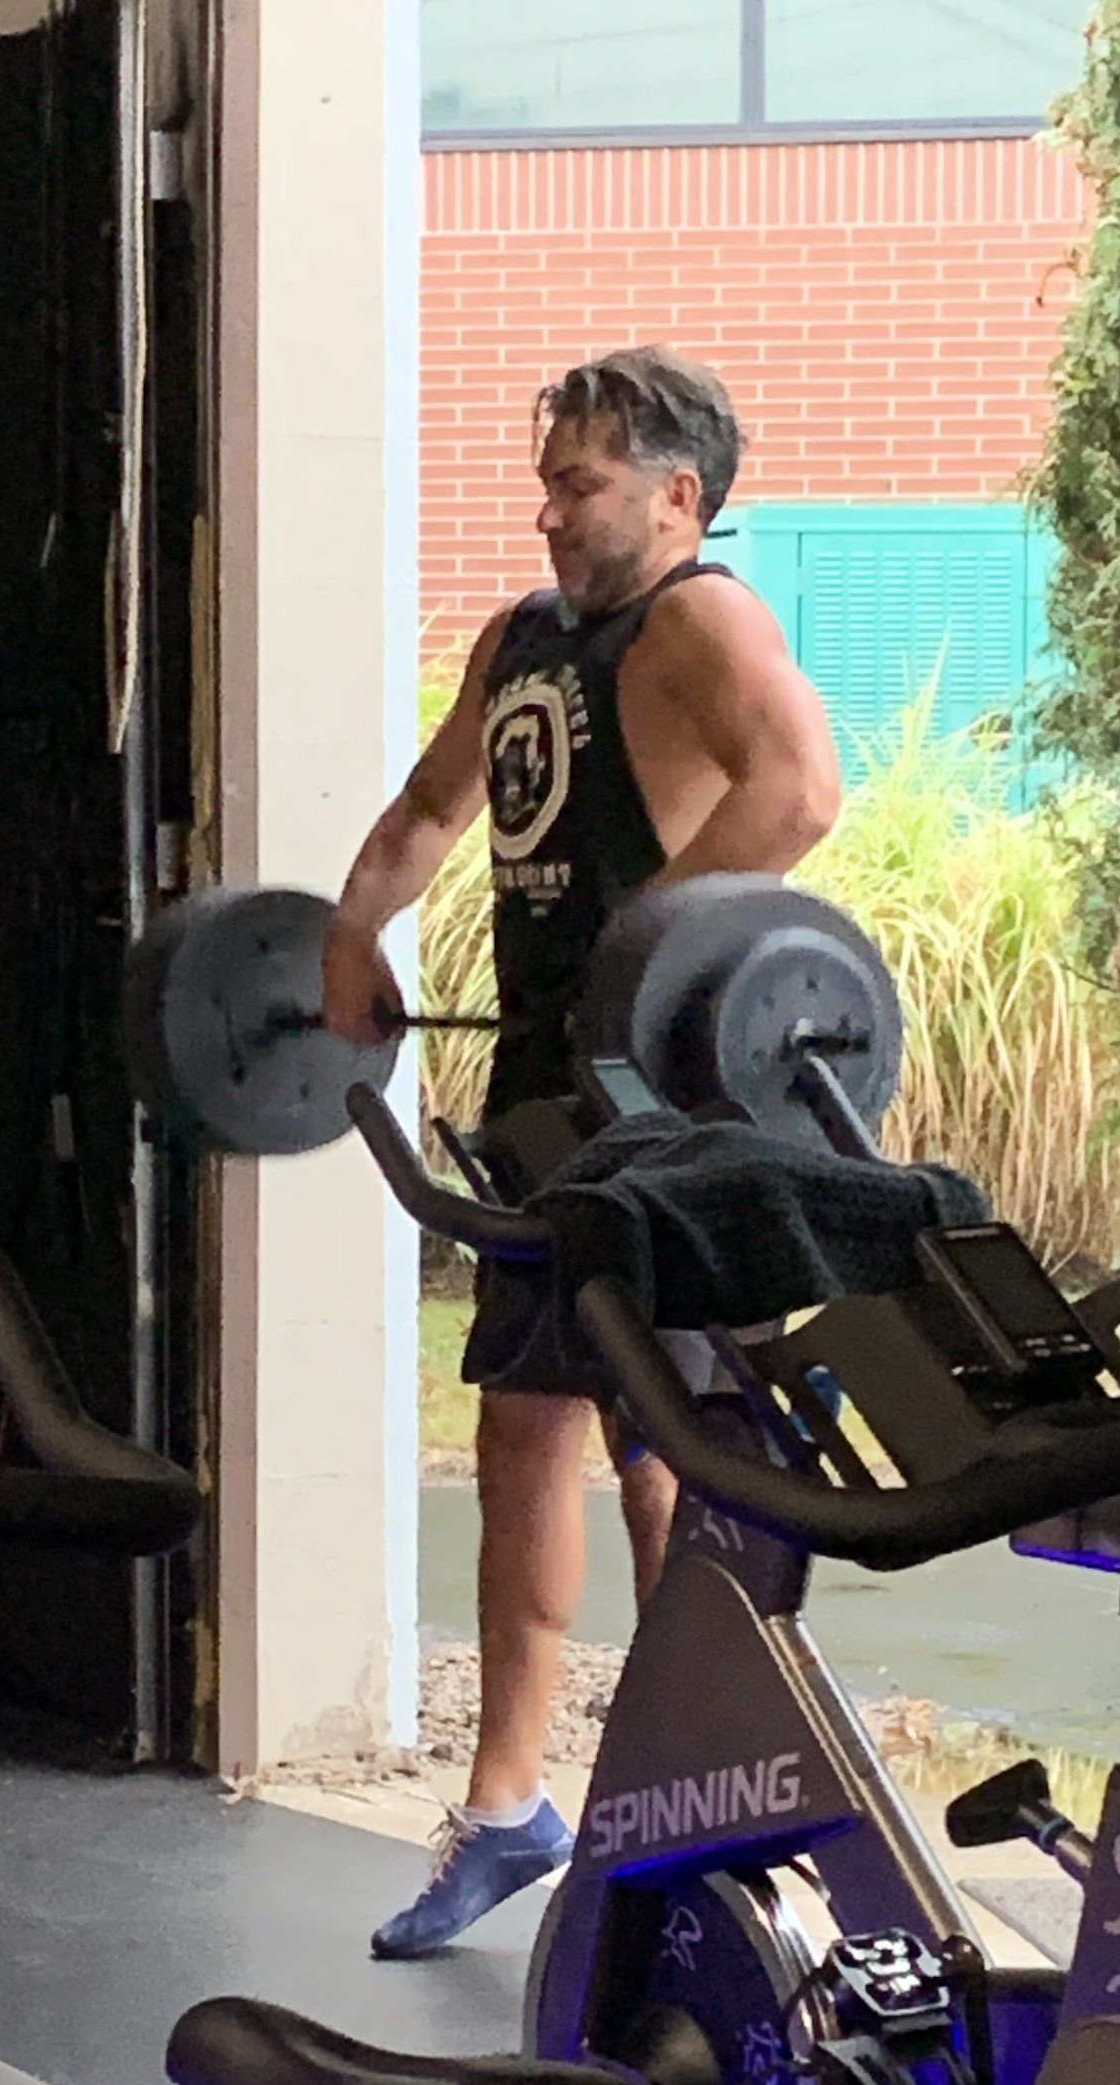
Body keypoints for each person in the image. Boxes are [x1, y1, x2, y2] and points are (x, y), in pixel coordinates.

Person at [325, 345, 843, 1959]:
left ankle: (707, 1809)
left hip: (675, 1113)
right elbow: (426, 810)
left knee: (673, 1454)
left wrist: (649, 942)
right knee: (525, 1434)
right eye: (547, 479)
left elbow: (804, 790)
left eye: (581, 482)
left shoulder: (703, 619)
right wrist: (352, 930)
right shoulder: (527, 642)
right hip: (556, 1103)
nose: (550, 509)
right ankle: (506, 1811)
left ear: (676, 493)